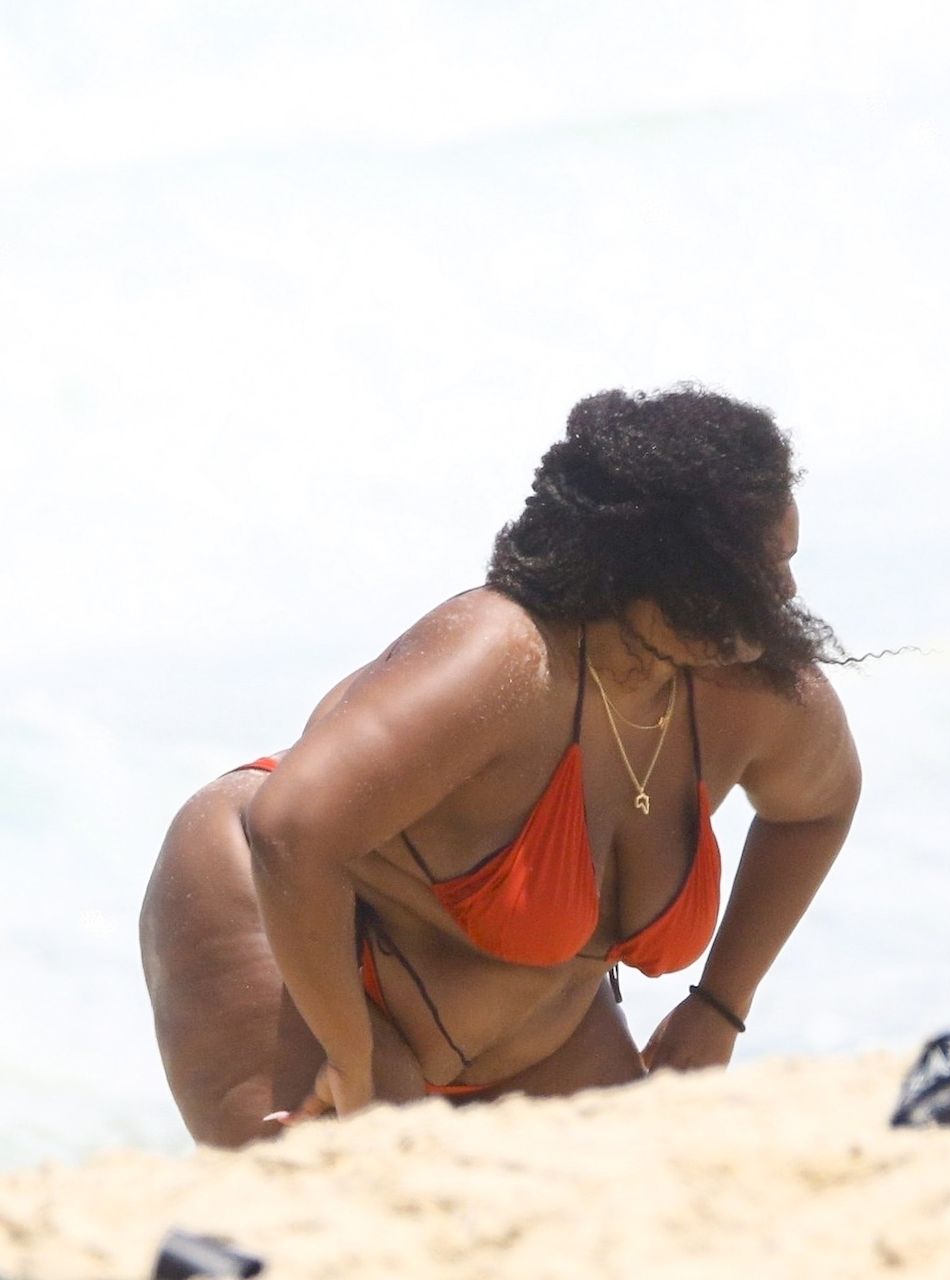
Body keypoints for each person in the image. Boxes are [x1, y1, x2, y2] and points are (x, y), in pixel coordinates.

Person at [140, 386, 862, 1149]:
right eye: (764, 568)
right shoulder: (507, 660)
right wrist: (351, 1059)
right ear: (668, 565)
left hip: (537, 1026)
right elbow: (291, 829)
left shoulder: (756, 692)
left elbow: (817, 808)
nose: (785, 593)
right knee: (331, 1238)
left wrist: (719, 1005)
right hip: (294, 923)